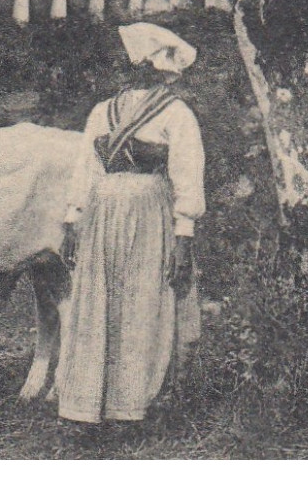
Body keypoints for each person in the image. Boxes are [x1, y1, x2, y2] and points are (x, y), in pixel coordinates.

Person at [54, 22, 205, 425]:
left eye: (130, 61)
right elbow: (86, 169)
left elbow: (187, 176)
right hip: (103, 211)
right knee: (97, 301)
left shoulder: (176, 113)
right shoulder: (102, 111)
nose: (122, 69)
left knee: (142, 301)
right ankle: (88, 403)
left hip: (148, 212)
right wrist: (73, 219)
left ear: (149, 64)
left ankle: (132, 404)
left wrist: (184, 235)